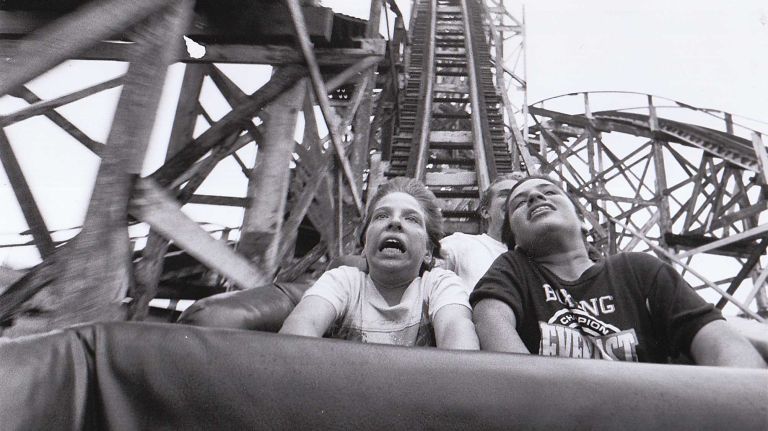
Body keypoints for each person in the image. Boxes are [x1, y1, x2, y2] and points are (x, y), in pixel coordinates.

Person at [471, 175, 767, 367]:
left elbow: (717, 340)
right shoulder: (513, 269)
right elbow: (492, 325)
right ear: (512, 239)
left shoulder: (637, 270)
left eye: (549, 192)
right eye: (519, 203)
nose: (536, 197)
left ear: (581, 220)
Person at [279, 177, 479, 350]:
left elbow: (457, 337)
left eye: (412, 219)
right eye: (381, 216)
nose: (395, 222)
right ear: (365, 245)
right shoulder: (343, 280)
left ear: (428, 251)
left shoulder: (439, 285)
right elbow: (303, 326)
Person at [438, 173, 523, 291]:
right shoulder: (460, 244)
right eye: (505, 194)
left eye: (519, 196)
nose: (513, 200)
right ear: (485, 212)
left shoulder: (537, 256)